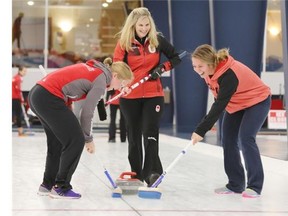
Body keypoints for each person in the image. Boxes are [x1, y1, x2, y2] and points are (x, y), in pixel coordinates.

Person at [28, 58, 133, 199]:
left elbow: (69, 90)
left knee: (57, 142)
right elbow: (87, 113)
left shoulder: (97, 71)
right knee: (76, 141)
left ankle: (47, 185)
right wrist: (88, 139)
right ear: (115, 76)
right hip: (48, 97)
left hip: (37, 94)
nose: (119, 88)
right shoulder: (101, 80)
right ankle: (61, 187)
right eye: (122, 83)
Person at [190, 44, 271, 198]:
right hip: (237, 103)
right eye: (194, 66)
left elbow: (219, 105)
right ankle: (235, 184)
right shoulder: (208, 73)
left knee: (246, 138)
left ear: (210, 63)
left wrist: (201, 130)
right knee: (227, 139)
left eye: (200, 66)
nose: (197, 69)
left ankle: (255, 186)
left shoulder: (229, 75)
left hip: (257, 100)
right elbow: (218, 97)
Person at [113, 7, 182, 187]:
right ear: (133, 26)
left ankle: (151, 173)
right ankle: (136, 173)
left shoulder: (157, 40)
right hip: (130, 95)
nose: (144, 28)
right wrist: (122, 84)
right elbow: (117, 67)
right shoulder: (124, 43)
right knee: (134, 136)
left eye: (146, 24)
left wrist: (162, 69)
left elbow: (176, 58)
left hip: (153, 94)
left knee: (150, 133)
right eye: (140, 25)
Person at [12, 65, 27, 136]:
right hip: (15, 98)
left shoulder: (15, 77)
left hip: (13, 98)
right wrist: (22, 100)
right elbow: (18, 91)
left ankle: (20, 131)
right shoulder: (18, 78)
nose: (25, 73)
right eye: (24, 71)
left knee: (16, 114)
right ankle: (20, 132)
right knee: (18, 115)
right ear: (20, 71)